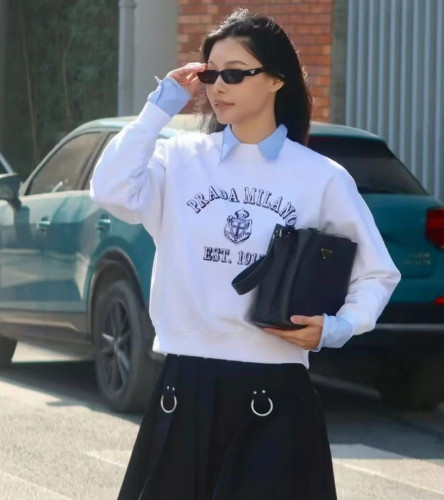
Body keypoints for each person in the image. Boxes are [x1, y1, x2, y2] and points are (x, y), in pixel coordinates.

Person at [89, 8, 401, 500]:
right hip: (184, 384)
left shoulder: (320, 177)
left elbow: (377, 273)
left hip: (276, 389)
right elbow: (109, 189)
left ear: (276, 79)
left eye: (234, 73)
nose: (218, 86)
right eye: (211, 74)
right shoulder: (180, 160)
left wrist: (335, 328)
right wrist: (159, 108)